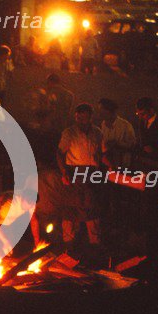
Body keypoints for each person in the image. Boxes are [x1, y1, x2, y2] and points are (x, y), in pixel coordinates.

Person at [56, 103, 105, 257]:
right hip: (74, 173)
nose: (81, 121)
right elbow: (59, 153)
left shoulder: (97, 132)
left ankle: (94, 244)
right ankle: (69, 245)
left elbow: (102, 154)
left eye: (84, 118)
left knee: (92, 209)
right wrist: (64, 172)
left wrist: (110, 167)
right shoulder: (69, 133)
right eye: (78, 118)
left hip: (92, 173)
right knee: (71, 210)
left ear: (90, 117)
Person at [99, 98, 136, 168]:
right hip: (107, 165)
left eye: (102, 109)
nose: (100, 112)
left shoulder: (125, 125)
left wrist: (117, 144)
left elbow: (132, 145)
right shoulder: (103, 124)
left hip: (123, 165)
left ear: (110, 111)